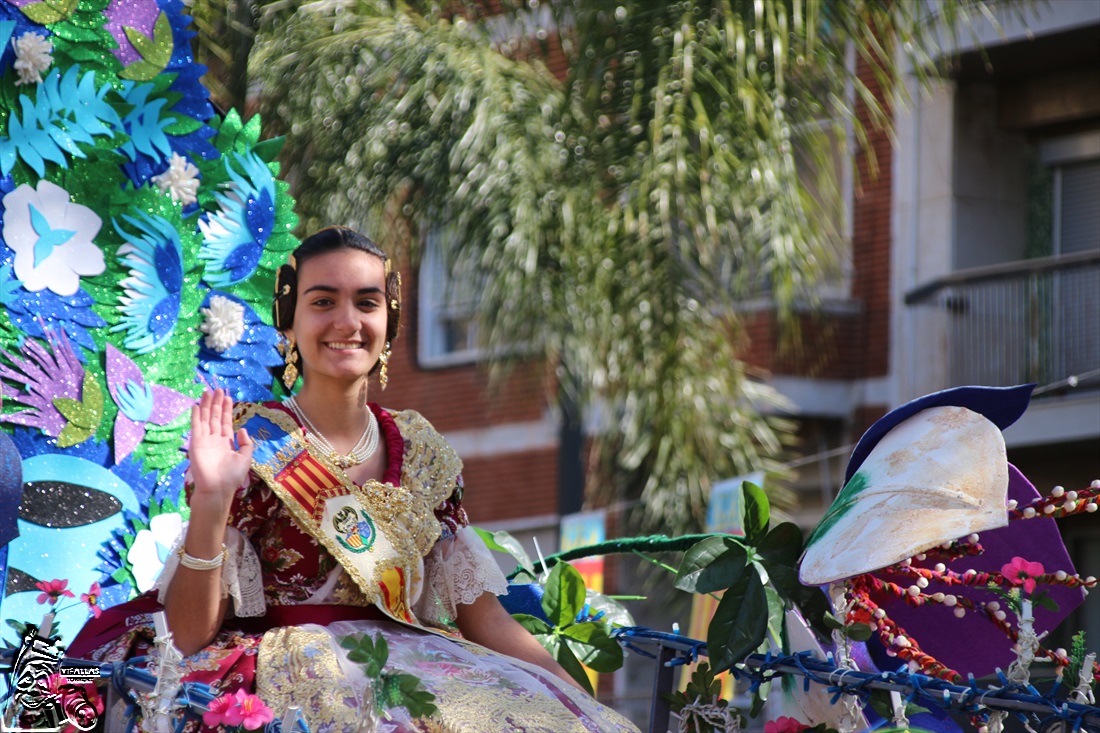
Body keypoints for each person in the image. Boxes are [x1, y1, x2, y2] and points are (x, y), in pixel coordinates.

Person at [70, 227, 639, 732]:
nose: (347, 322)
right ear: (289, 321)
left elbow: (484, 618)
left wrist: (571, 697)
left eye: (367, 303)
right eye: (323, 301)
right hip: (289, 675)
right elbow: (188, 637)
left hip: (420, 667)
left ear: (388, 322)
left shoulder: (422, 450)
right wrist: (214, 501)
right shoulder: (248, 441)